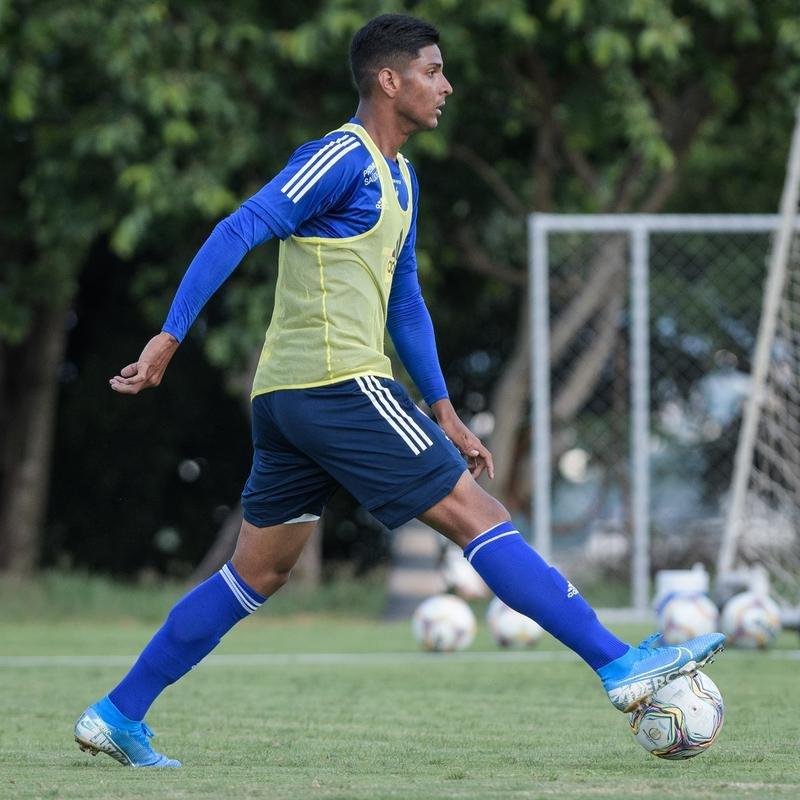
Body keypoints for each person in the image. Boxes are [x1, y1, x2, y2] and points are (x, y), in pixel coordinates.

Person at [74, 13, 724, 768]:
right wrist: (169, 335)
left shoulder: (401, 178)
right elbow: (241, 225)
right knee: (477, 514)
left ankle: (118, 713)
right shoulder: (339, 156)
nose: (445, 86)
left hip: (292, 398)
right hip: (338, 382)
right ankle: (620, 664)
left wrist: (445, 409)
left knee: (258, 570)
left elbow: (404, 299)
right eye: (432, 71)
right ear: (390, 80)